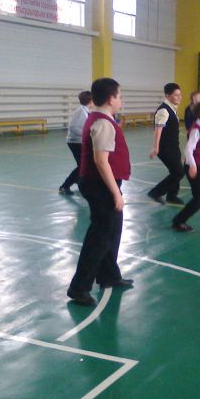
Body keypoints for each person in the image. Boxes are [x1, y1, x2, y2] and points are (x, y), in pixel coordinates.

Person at [67, 78, 133, 306]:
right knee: (100, 236)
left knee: (112, 230)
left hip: (101, 183)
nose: (121, 100)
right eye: (119, 96)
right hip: (99, 185)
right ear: (111, 99)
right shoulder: (103, 123)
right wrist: (116, 193)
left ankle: (109, 275)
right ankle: (79, 288)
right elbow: (101, 161)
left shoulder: (102, 119)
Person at [172, 101, 200, 232]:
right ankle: (178, 221)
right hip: (194, 166)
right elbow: (188, 150)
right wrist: (193, 166)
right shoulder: (197, 130)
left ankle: (179, 220)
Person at [147, 83, 185, 205]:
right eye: (176, 95)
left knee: (175, 171)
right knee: (178, 172)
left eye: (180, 94)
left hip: (174, 146)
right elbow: (158, 130)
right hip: (166, 148)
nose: (179, 97)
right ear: (167, 96)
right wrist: (156, 147)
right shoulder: (163, 110)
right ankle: (155, 193)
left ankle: (172, 196)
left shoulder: (172, 108)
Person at [59, 91, 93, 195]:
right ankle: (65, 186)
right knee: (83, 165)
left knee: (83, 165)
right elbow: (73, 127)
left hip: (78, 141)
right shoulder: (81, 111)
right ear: (90, 101)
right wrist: (86, 134)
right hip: (75, 142)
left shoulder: (85, 110)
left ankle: (79, 182)